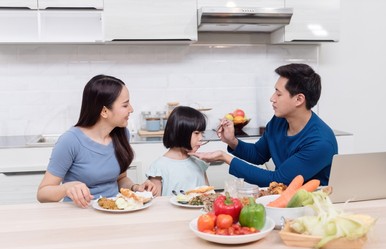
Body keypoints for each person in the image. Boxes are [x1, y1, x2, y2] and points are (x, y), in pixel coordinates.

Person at [191, 63, 338, 187]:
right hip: (284, 199)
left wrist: (225, 158)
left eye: (278, 94)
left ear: (299, 99)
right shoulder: (279, 121)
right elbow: (259, 154)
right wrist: (232, 141)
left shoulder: (320, 142)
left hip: (312, 207)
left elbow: (278, 180)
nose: (272, 98)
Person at [37, 74, 157, 208]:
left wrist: (135, 188)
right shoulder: (70, 141)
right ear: (104, 111)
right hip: (80, 214)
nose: (131, 109)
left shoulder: (122, 134)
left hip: (114, 210)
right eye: (125, 105)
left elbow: (121, 179)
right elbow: (42, 194)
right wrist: (67, 188)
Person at [146, 106, 210, 196]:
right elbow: (156, 205)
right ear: (181, 133)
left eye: (202, 133)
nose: (201, 138)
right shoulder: (159, 168)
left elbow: (208, 195)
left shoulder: (199, 162)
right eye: (196, 133)